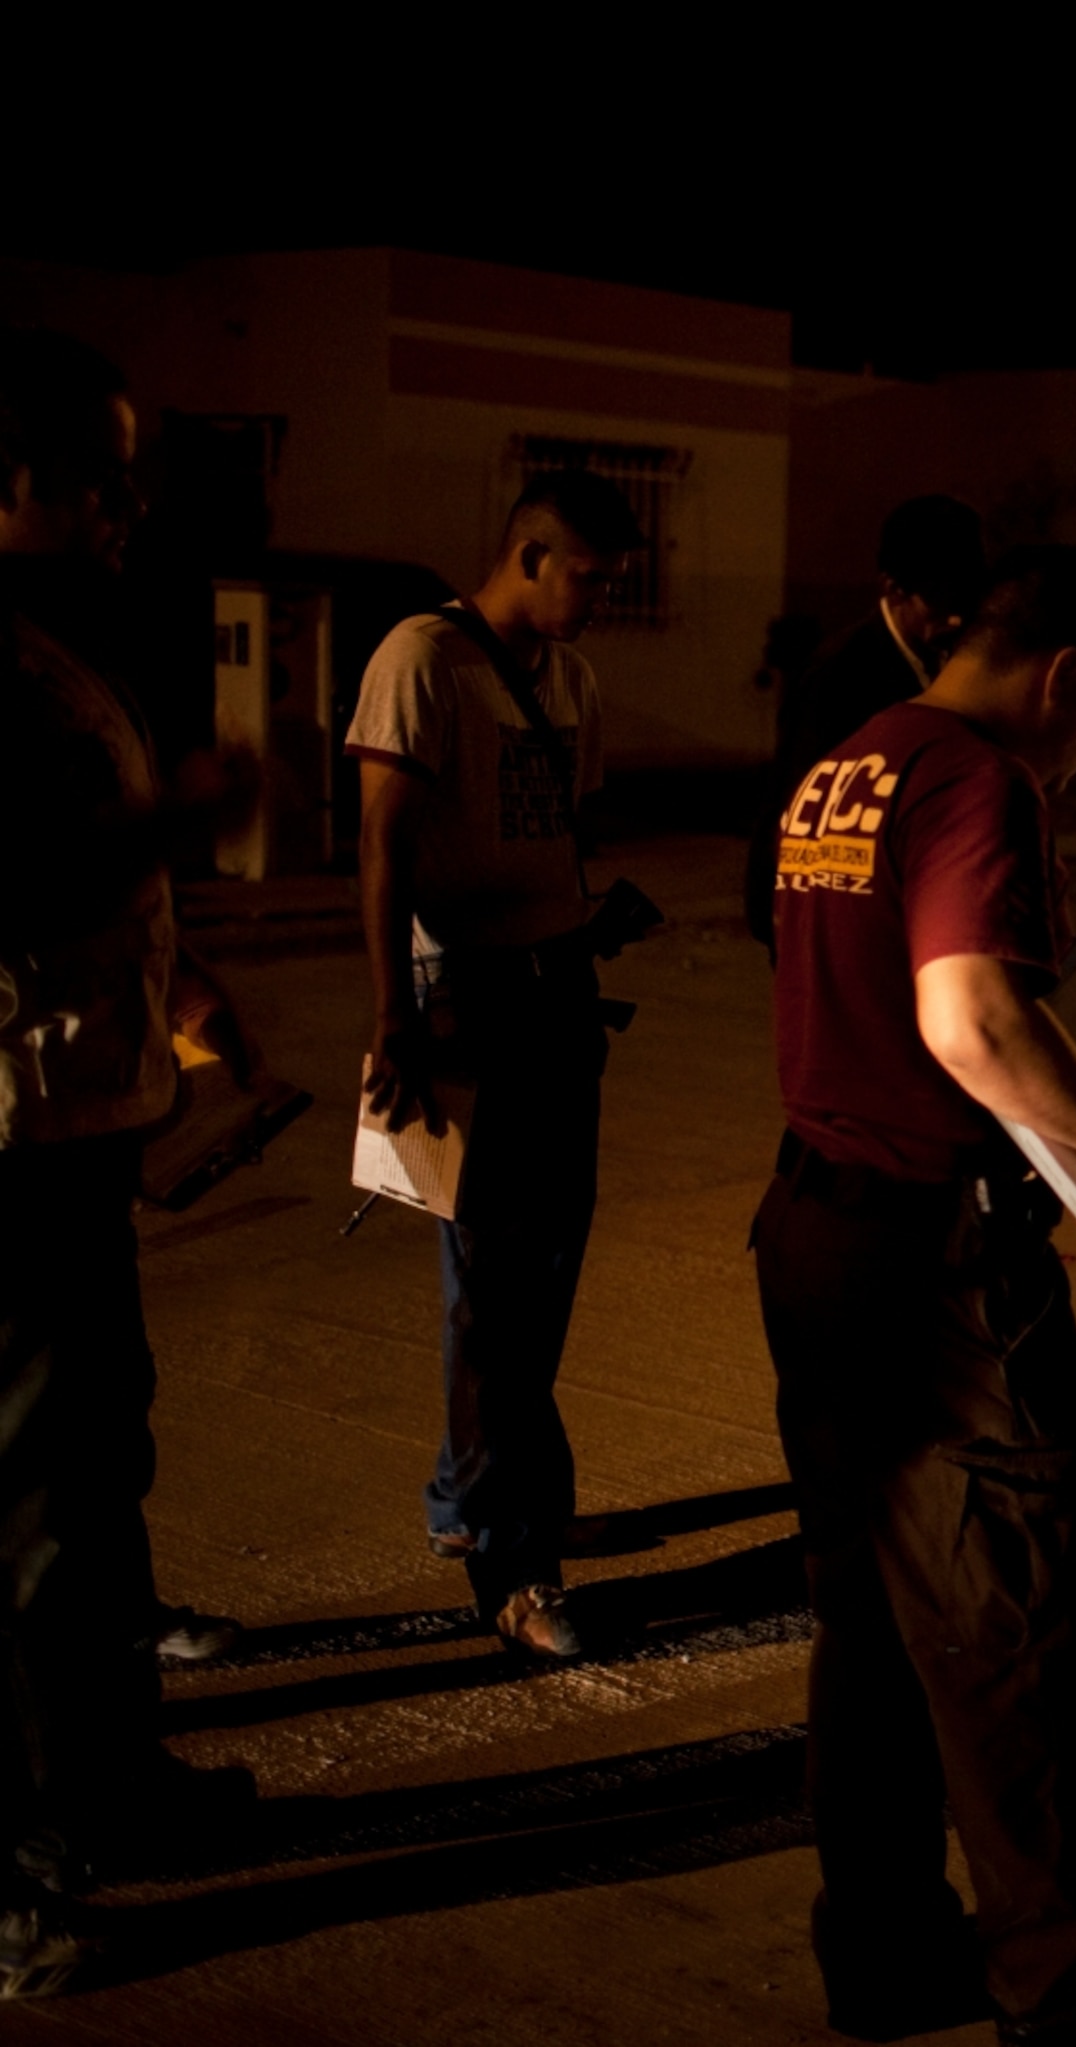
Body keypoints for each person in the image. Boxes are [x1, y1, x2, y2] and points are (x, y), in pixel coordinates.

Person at [753, 544, 1076, 2044]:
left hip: (818, 1231)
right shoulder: (981, 777)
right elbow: (966, 1014)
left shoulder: (847, 763)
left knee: (874, 1618)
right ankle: (1056, 1979)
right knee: (1012, 1616)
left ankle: (888, 1950)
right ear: (1062, 676)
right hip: (939, 1261)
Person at [0, 327, 258, 1997]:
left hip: (79, 1136)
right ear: (7, 483)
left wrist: (182, 987)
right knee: (22, 1510)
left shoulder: (53, 648)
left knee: (97, 1477)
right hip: (5, 1152)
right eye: (99, 475)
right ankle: (18, 1880)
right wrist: (181, 818)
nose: (127, 504)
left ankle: (117, 1783)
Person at [346, 469, 644, 1658]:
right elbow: (380, 847)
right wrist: (390, 1020)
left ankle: (470, 1499)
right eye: (589, 577)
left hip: (554, 992)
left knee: (544, 1268)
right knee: (495, 1296)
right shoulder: (421, 659)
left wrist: (589, 906)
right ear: (528, 552)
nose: (599, 603)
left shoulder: (571, 679)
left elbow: (560, 831)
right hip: (459, 997)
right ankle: (513, 1565)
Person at [744, 494, 989, 948]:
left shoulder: (943, 650)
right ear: (893, 588)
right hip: (831, 914)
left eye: (964, 597)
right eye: (937, 599)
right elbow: (804, 804)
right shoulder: (841, 675)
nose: (955, 616)